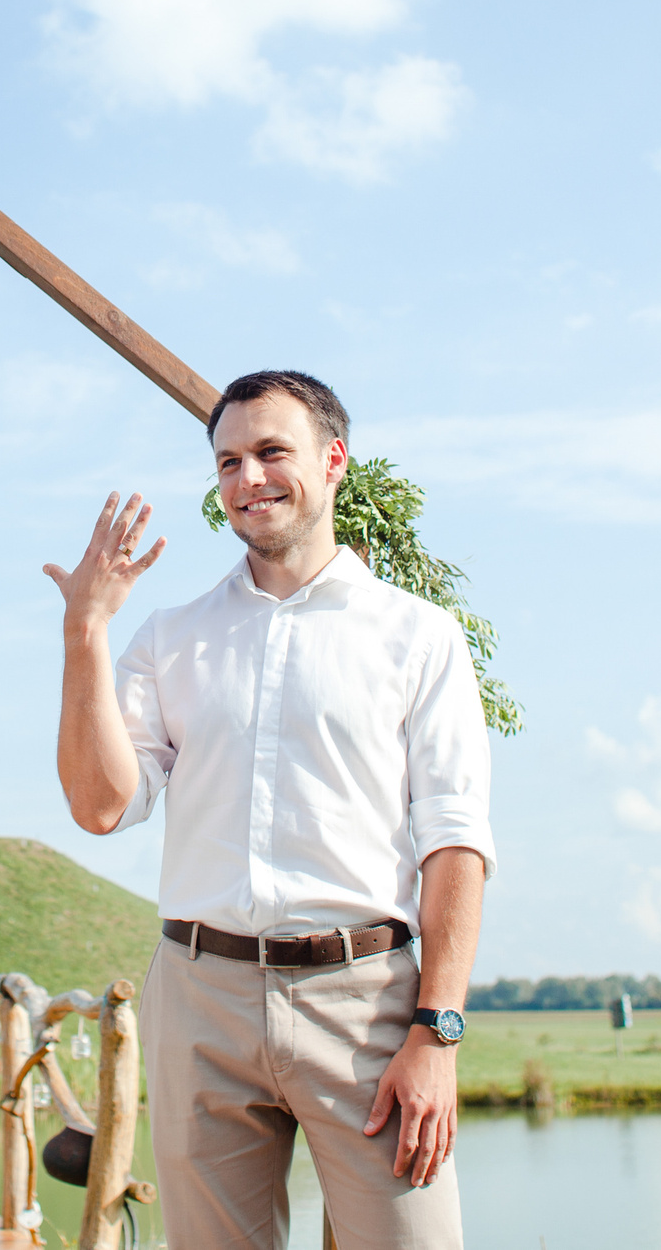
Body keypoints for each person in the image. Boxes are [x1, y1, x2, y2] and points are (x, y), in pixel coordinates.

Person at [45, 370, 493, 1250]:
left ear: (333, 462)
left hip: (365, 1005)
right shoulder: (169, 638)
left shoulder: (419, 635)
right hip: (201, 997)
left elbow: (455, 845)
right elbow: (101, 806)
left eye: (271, 452)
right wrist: (84, 634)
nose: (248, 477)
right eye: (228, 462)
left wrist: (436, 1033)